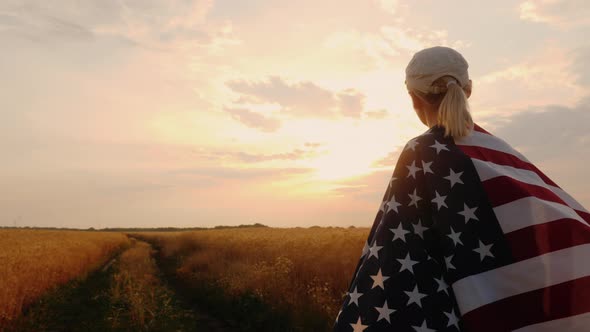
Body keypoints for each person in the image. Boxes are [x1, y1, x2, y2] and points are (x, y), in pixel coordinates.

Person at [333, 46, 590, 332]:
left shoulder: (421, 152)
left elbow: (394, 256)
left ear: (413, 98)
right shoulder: (501, 153)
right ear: (468, 89)